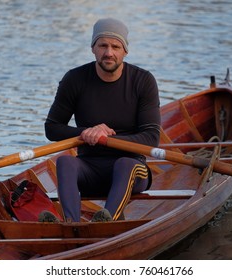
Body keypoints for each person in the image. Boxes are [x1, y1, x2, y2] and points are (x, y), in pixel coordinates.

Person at [44, 18, 161, 222]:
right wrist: (86, 132)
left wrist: (106, 138)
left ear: (125, 51)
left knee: (125, 164)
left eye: (115, 46)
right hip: (89, 170)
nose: (109, 52)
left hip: (133, 170)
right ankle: (71, 224)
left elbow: (152, 138)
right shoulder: (74, 79)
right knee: (65, 162)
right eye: (103, 45)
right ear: (93, 48)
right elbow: (52, 129)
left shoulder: (143, 81)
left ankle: (107, 223)